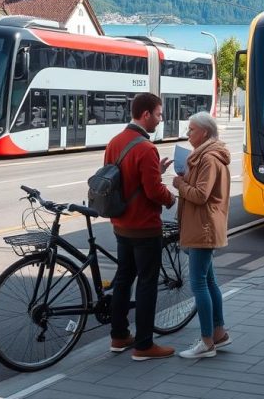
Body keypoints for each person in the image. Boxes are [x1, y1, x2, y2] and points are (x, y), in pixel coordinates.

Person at [106, 92, 177, 361]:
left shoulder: (115, 142)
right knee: (147, 283)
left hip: (121, 224)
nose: (160, 120)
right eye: (158, 114)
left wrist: (153, 171)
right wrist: (171, 198)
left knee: (124, 279)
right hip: (145, 228)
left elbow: (121, 181)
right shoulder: (146, 148)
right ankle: (144, 345)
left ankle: (119, 335)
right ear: (145, 114)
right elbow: (152, 191)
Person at [172, 112, 232, 359]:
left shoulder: (208, 159)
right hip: (204, 225)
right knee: (209, 282)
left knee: (198, 283)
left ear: (205, 133)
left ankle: (207, 342)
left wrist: (180, 185)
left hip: (203, 227)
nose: (188, 134)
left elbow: (200, 195)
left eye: (192, 130)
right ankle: (219, 333)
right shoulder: (209, 155)